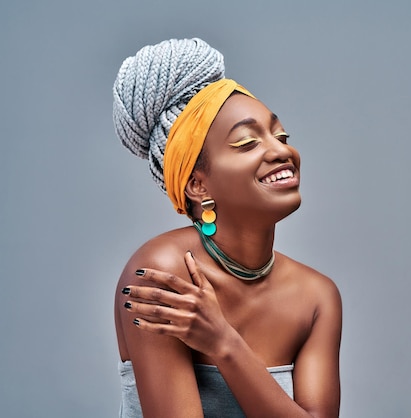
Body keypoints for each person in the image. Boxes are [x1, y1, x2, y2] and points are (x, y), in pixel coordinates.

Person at [111, 38, 342, 418]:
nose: (281, 150)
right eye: (248, 142)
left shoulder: (317, 297)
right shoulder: (165, 272)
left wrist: (223, 344)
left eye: (281, 136)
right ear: (197, 184)